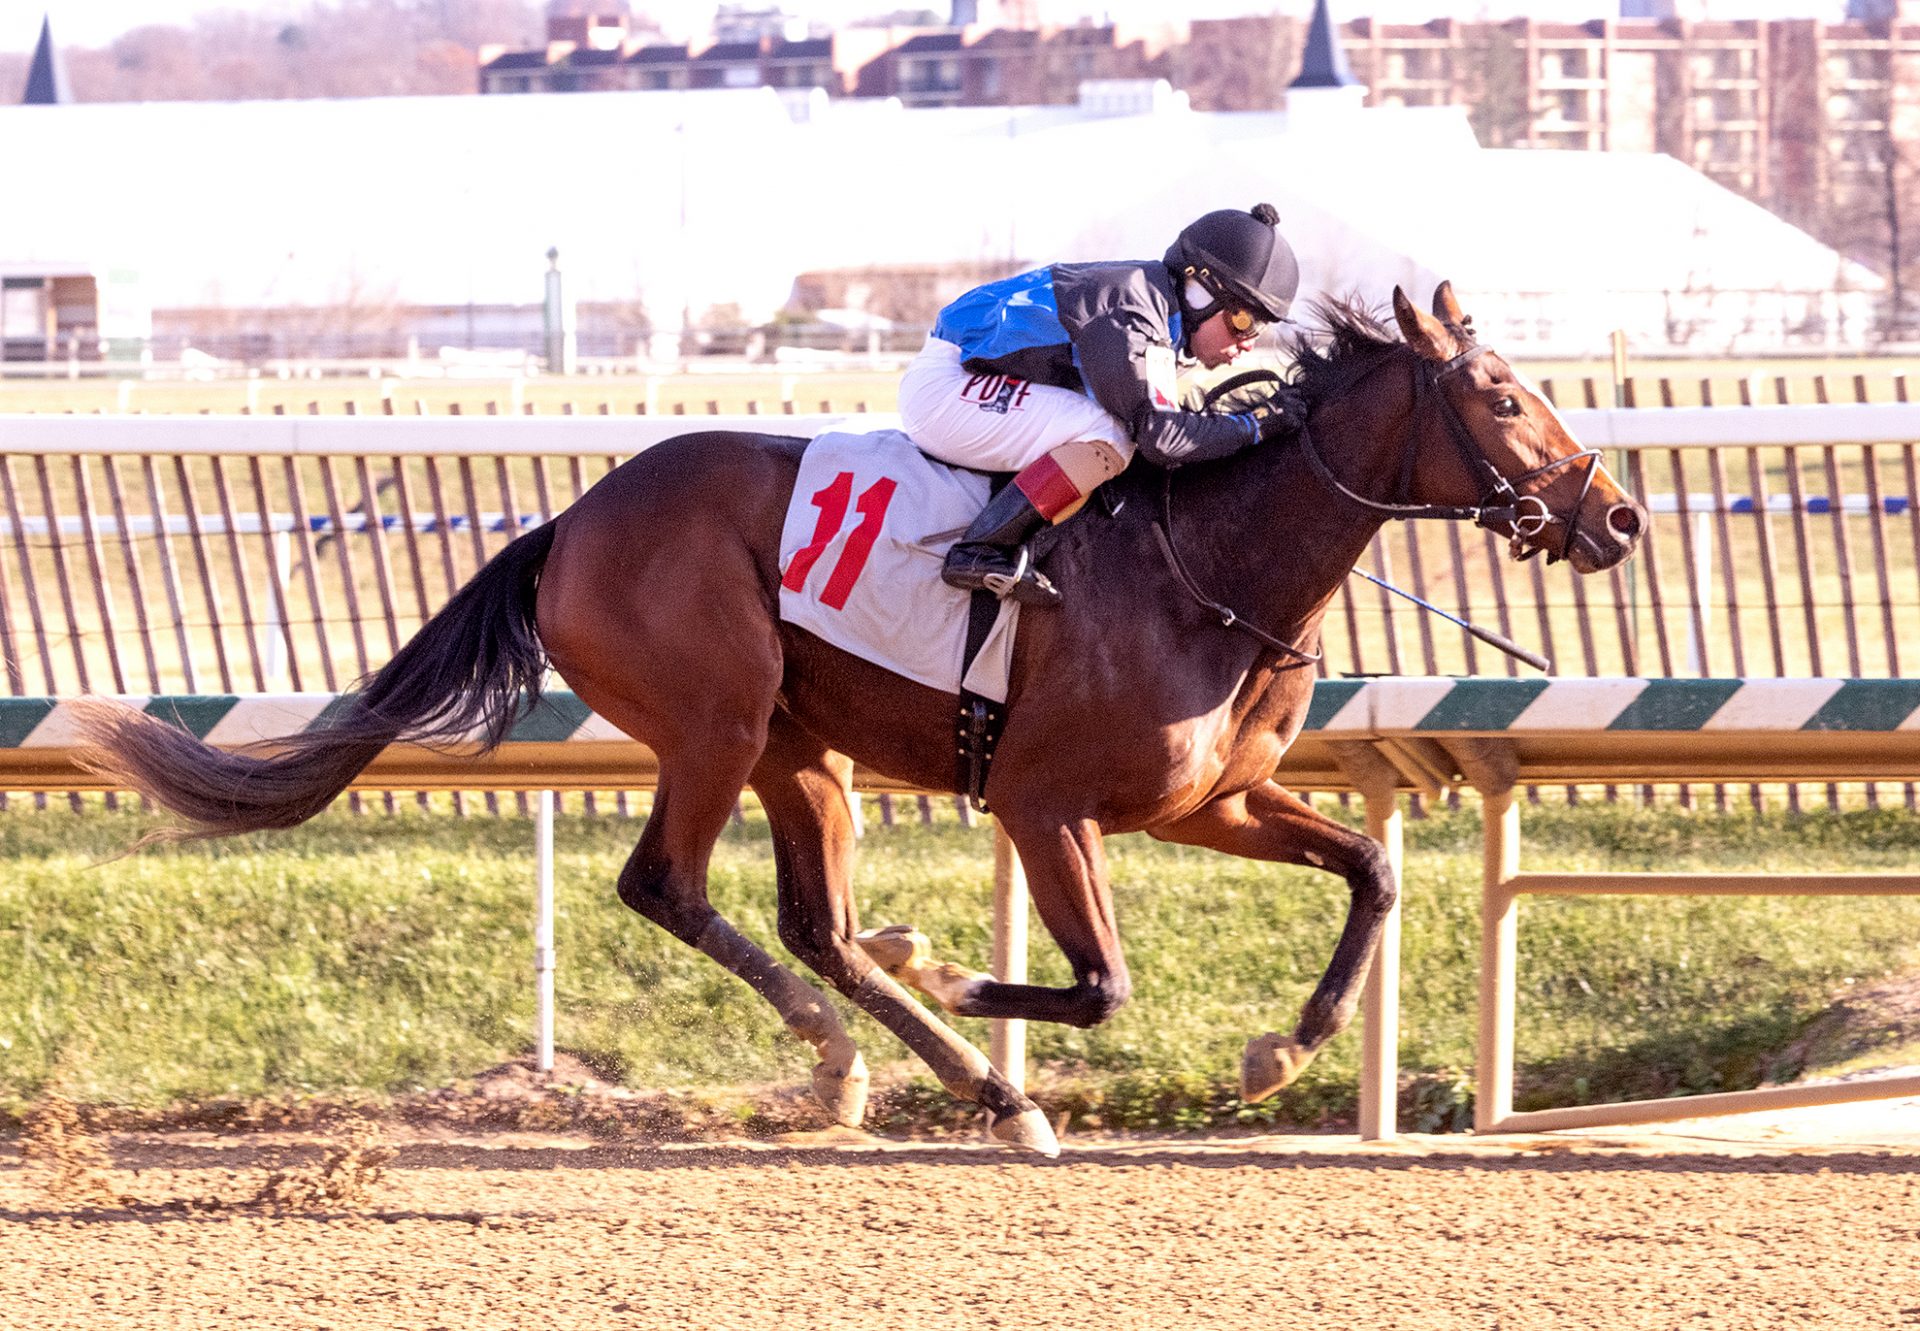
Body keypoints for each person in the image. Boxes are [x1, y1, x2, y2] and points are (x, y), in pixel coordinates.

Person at [899, 202, 1308, 607]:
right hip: (946, 386)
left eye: (1262, 325)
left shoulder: (1158, 306)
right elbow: (1160, 438)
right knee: (1109, 435)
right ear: (1201, 292)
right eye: (1244, 321)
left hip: (975, 375)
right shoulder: (1133, 314)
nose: (1250, 341)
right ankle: (979, 551)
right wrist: (1254, 425)